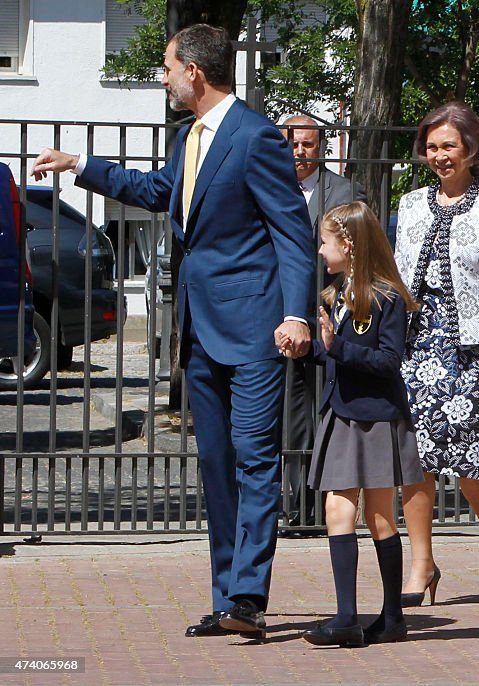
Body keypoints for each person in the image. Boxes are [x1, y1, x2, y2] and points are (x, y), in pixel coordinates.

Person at [31, 24, 315, 638]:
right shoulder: (188, 138)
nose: (162, 77)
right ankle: (223, 599)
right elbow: (157, 192)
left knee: (254, 459)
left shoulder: (256, 136)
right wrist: (82, 164)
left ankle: (248, 597)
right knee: (213, 463)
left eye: (166, 67)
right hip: (199, 329)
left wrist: (295, 314)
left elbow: (295, 234)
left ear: (194, 71)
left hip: (256, 328)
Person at [393, 102, 479, 605]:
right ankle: (421, 564)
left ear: (471, 150)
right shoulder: (410, 204)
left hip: (472, 351)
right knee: (414, 460)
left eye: (449, 146)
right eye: (432, 146)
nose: (440, 155)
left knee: (473, 467)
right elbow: (397, 274)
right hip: (415, 344)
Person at [298, 203, 422, 647]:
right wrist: (308, 348)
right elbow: (335, 352)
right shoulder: (340, 290)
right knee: (339, 507)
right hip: (344, 410)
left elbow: (388, 362)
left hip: (374, 416)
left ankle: (389, 617)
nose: (319, 251)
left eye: (325, 242)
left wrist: (335, 348)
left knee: (380, 517)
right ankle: (349, 615)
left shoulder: (386, 297)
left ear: (347, 245)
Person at [277, 114, 367, 533]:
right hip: (280, 314)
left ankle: (324, 503)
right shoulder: (269, 187)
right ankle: (294, 502)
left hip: (332, 313)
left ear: (322, 146)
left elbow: (362, 250)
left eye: (308, 144)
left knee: (325, 407)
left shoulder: (344, 192)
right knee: (289, 410)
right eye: (291, 144)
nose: (299, 152)